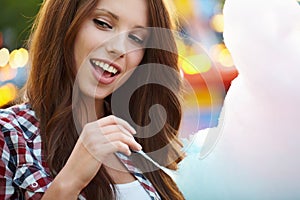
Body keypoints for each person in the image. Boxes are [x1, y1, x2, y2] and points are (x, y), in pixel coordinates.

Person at [0, 0, 185, 199]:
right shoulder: (9, 135)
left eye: (136, 38)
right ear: (66, 21)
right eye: (103, 23)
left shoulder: (144, 141)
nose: (119, 48)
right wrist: (70, 181)